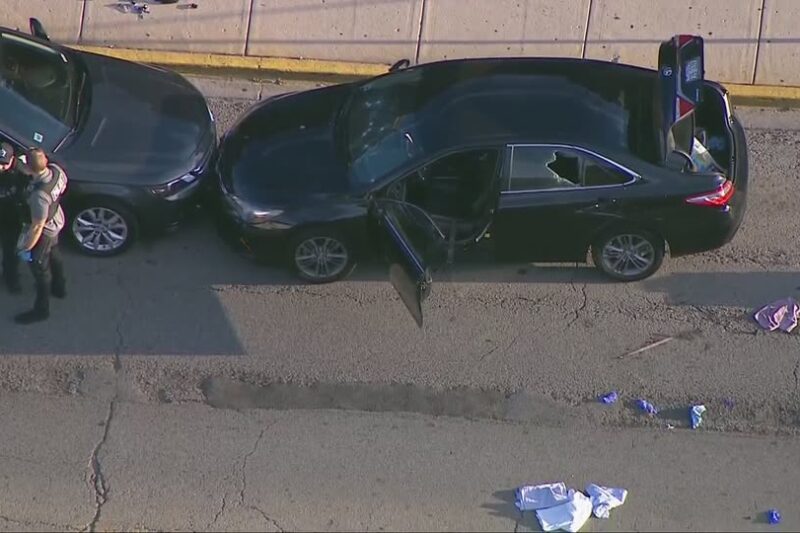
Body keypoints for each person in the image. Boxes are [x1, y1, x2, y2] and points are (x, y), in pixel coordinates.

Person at [14, 148, 67, 324]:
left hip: (45, 232)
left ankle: (41, 309)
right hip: (57, 221)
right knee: (55, 253)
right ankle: (60, 287)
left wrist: (26, 247)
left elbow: (37, 227)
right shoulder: (57, 172)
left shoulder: (39, 196)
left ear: (30, 169)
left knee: (40, 267)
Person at [0, 142, 31, 294]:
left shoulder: (23, 174)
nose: (0, 167)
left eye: (3, 164)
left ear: (12, 159)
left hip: (11, 219)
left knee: (10, 252)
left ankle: (11, 278)